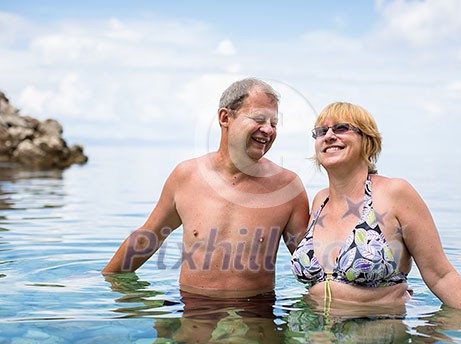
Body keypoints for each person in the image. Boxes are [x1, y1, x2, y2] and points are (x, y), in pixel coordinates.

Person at [103, 78, 309, 298]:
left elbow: (310, 265)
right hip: (192, 308)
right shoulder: (186, 176)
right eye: (259, 119)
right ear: (225, 118)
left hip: (255, 314)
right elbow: (148, 238)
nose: (268, 130)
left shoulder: (287, 187)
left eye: (274, 123)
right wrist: (104, 280)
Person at [291, 102, 461, 312]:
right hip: (308, 333)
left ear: (367, 141)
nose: (329, 136)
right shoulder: (320, 200)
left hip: (374, 333)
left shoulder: (395, 193)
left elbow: (440, 276)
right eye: (321, 131)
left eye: (341, 128)